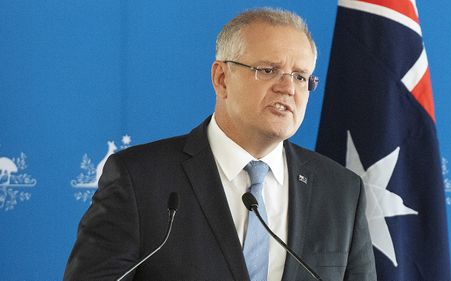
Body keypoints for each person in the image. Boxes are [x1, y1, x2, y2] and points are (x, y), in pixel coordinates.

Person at [64, 7, 376, 281]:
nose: (287, 88)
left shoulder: (342, 191)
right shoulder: (139, 179)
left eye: (300, 77)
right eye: (268, 70)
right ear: (222, 78)